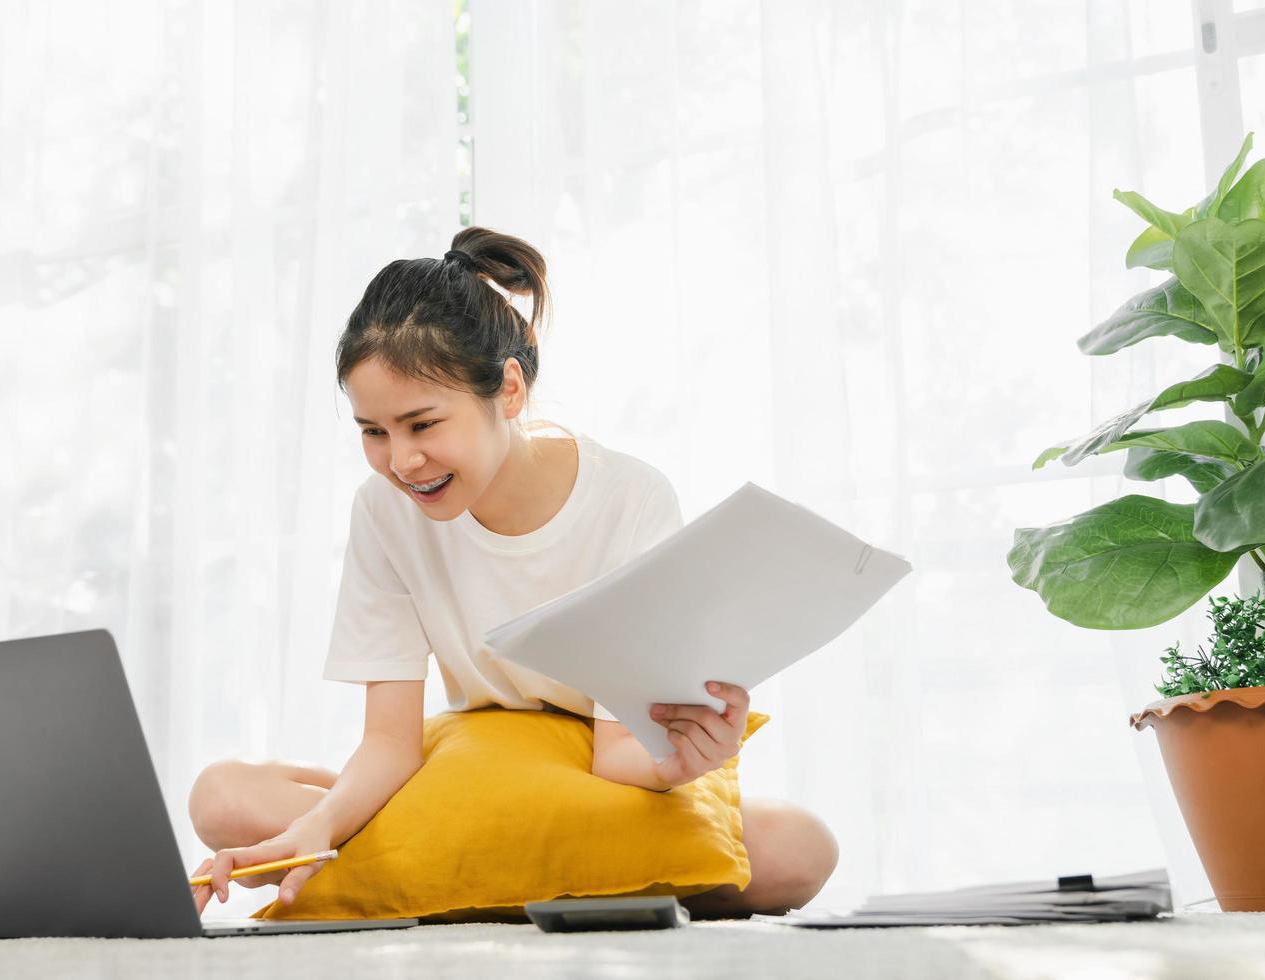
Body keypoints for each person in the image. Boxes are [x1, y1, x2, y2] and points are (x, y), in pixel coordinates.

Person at [186, 227, 838, 918]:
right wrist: (311, 830)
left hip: (593, 772)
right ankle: (548, 881)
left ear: (509, 390)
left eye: (422, 424)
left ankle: (442, 881)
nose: (401, 461)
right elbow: (388, 742)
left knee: (797, 849)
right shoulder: (381, 512)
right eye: (373, 432)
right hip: (466, 761)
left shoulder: (628, 497)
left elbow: (618, 754)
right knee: (223, 797)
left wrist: (679, 763)